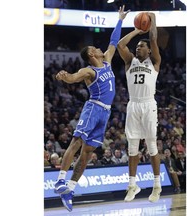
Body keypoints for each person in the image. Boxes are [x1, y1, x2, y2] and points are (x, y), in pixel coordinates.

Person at [53, 6, 130, 212]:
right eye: (93, 48)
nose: (98, 48)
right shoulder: (88, 70)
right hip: (93, 108)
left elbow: (113, 41)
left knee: (87, 153)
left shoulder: (107, 60)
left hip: (105, 113)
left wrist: (120, 19)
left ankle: (70, 189)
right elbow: (73, 77)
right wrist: (64, 76)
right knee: (77, 142)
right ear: (90, 55)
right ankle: (60, 180)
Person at [117, 12, 162, 202]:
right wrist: (136, 31)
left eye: (141, 46)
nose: (138, 48)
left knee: (151, 145)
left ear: (149, 51)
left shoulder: (155, 62)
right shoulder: (130, 62)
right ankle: (132, 185)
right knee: (132, 147)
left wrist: (152, 19)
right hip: (133, 104)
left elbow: (153, 37)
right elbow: (121, 45)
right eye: (137, 46)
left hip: (148, 104)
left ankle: (157, 185)